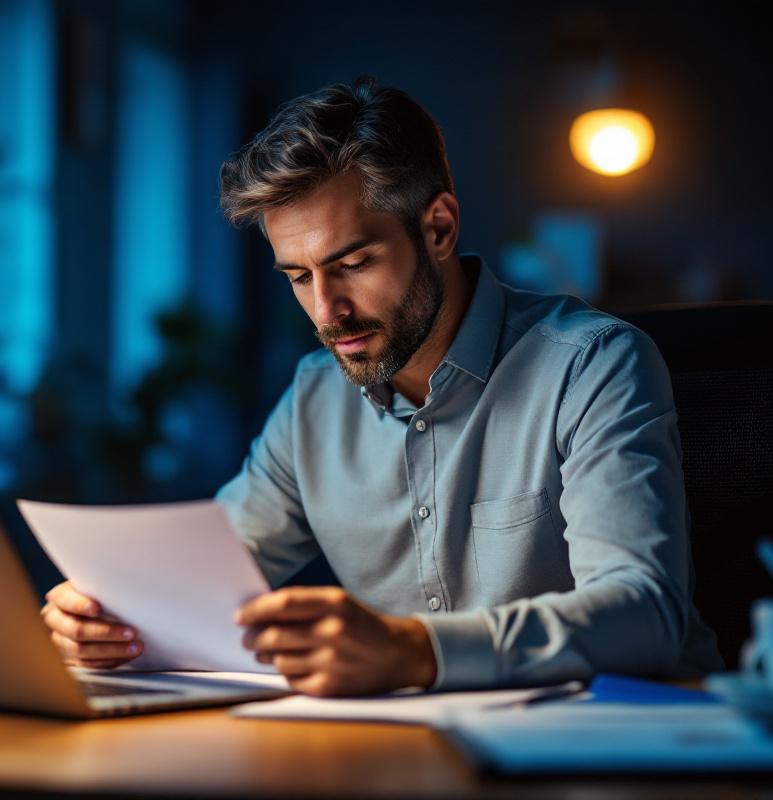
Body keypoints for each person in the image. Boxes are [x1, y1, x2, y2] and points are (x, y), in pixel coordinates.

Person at [41, 77, 723, 696]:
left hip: (619, 751)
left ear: (439, 228)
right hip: (413, 751)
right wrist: (112, 618)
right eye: (299, 277)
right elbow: (200, 585)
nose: (326, 310)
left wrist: (414, 650)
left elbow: (645, 613)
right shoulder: (314, 399)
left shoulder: (593, 365)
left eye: (353, 263)